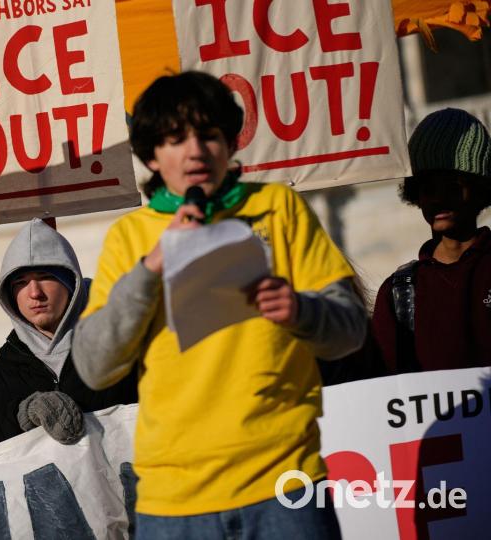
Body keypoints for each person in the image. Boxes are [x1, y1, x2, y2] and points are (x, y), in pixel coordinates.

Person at [72, 72, 367, 538]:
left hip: (285, 485)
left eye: (209, 135)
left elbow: (350, 330)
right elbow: (94, 366)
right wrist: (150, 269)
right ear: (152, 156)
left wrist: (300, 311)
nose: (195, 151)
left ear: (230, 144)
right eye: (175, 139)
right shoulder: (129, 237)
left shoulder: (278, 207)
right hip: (173, 503)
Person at [0, 218, 137, 456]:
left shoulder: (125, 352)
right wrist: (20, 416)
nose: (34, 293)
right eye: (20, 283)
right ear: (9, 295)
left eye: (45, 277)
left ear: (70, 283)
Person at [371, 108, 491, 373]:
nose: (438, 199)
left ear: (481, 190)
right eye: (428, 188)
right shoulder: (398, 293)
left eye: (452, 186)